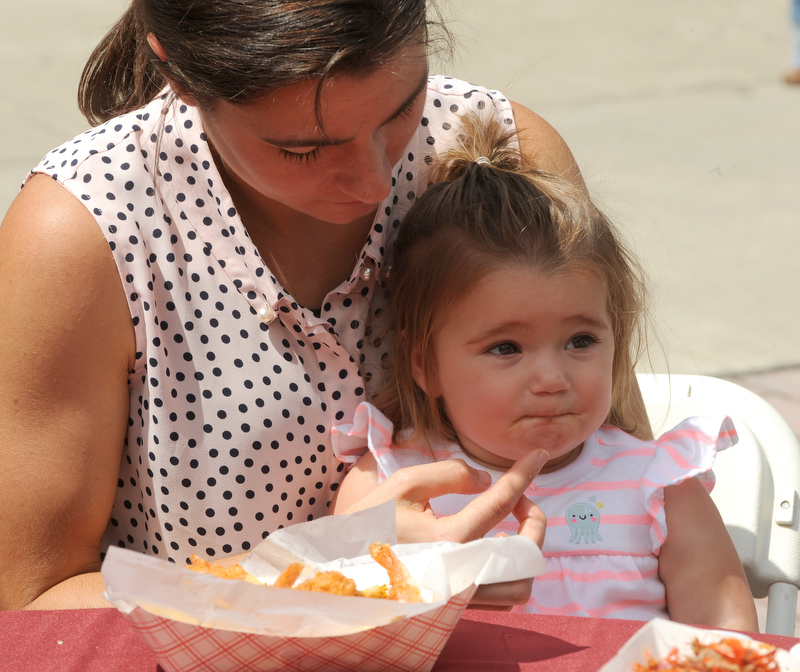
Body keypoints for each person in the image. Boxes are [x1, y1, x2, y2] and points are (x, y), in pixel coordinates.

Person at [0, 0, 592, 611]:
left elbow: (631, 477)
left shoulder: (500, 153)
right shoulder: (84, 232)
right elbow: (30, 599)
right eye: (303, 151)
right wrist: (334, 577)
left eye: (401, 110)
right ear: (178, 76)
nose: (373, 183)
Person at [331, 114, 759, 631]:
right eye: (506, 347)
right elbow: (340, 632)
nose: (553, 378)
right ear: (425, 363)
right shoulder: (387, 482)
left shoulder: (661, 487)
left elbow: (729, 644)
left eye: (581, 341)